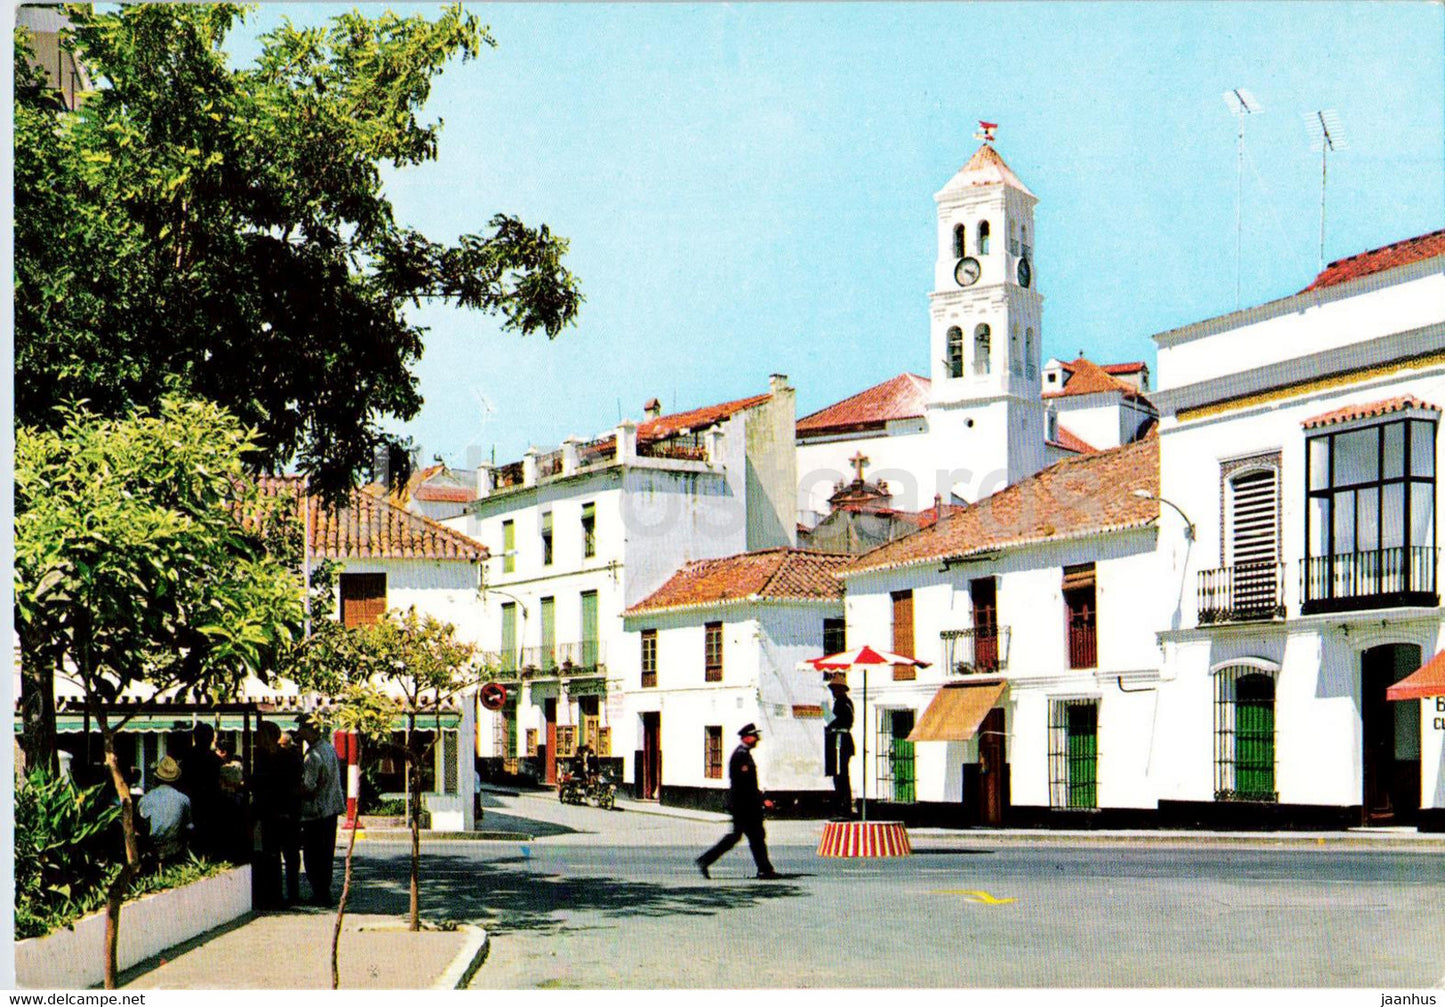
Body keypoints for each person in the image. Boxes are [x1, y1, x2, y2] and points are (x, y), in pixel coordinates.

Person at [696, 723, 779, 880]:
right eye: (754, 736)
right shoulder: (740, 756)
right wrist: (762, 800)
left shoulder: (744, 754)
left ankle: (765, 869)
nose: (757, 739)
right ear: (746, 737)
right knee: (749, 836)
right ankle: (705, 860)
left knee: (752, 836)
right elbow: (745, 785)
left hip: (746, 804)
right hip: (743, 805)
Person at [252, 722, 304, 908]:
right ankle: (279, 894)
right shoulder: (270, 756)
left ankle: (287, 894)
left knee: (284, 855)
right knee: (277, 855)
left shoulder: (280, 758)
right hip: (277, 813)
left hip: (280, 812)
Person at [296, 713, 346, 907]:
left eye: (301, 728)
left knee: (313, 856)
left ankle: (320, 893)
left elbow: (308, 787)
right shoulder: (328, 749)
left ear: (309, 730)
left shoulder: (312, 756)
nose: (299, 732)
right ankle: (323, 892)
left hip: (316, 812)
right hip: (330, 809)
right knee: (326, 855)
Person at [138, 756, 193, 864]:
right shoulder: (183, 799)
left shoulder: (144, 800)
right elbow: (189, 827)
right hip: (174, 851)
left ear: (156, 778)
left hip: (151, 854)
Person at [824, 675, 856, 819]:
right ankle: (843, 806)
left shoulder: (843, 703)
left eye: (835, 689)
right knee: (839, 775)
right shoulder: (842, 702)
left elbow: (837, 722)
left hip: (840, 741)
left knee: (841, 775)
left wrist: (825, 712)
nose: (833, 691)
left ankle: (844, 807)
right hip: (840, 740)